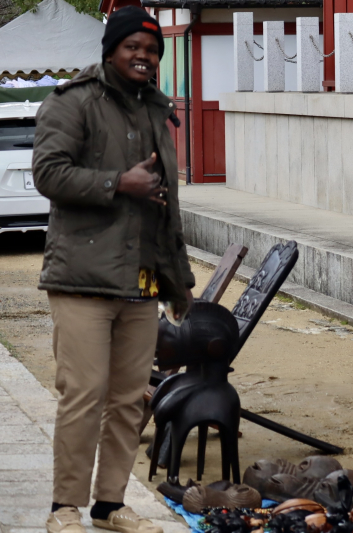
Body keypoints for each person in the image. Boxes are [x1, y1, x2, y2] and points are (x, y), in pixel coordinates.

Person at [33, 7, 195, 533]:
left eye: (152, 50)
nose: (144, 56)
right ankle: (65, 507)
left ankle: (109, 505)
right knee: (83, 394)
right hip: (82, 278)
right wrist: (116, 184)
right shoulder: (72, 102)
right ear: (111, 50)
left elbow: (165, 206)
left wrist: (177, 279)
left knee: (129, 399)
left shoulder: (157, 110)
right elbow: (49, 173)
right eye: (133, 47)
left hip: (141, 282)